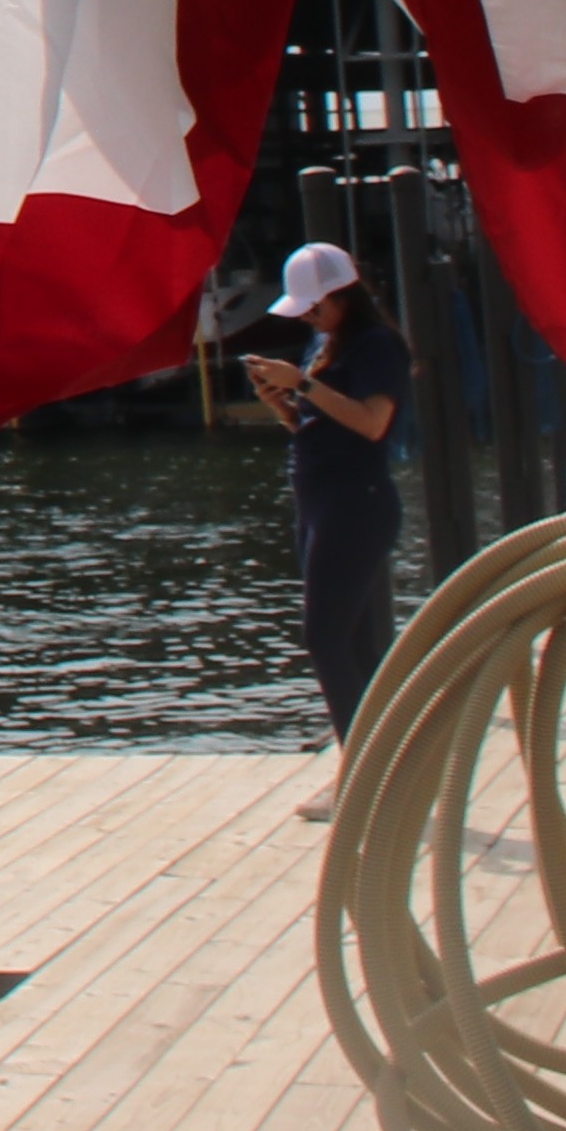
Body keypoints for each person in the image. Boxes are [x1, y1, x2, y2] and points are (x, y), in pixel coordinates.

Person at [245, 239, 411, 813]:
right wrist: (281, 403)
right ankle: (381, 770)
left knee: (325, 637)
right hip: (319, 498)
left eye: (315, 308)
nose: (310, 318)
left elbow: (371, 423)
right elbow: (316, 427)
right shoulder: (327, 342)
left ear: (343, 297)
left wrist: (306, 385)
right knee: (355, 641)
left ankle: (361, 779)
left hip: (356, 501)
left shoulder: (378, 346)